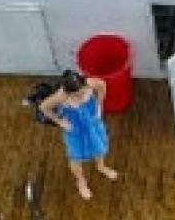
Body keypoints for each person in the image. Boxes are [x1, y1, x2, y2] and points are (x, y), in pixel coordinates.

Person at [38, 69, 118, 200]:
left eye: (81, 92)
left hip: (91, 121)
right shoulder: (60, 96)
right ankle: (81, 181)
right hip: (74, 127)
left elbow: (102, 85)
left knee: (99, 145)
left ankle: (101, 166)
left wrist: (99, 106)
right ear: (67, 92)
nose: (80, 96)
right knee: (75, 156)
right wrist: (60, 122)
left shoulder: (90, 83)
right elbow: (43, 107)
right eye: (75, 95)